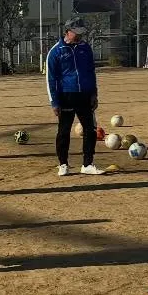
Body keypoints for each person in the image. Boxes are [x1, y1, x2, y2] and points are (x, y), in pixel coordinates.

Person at [46, 19, 105, 177]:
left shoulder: (85, 48)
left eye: (81, 33)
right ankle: (63, 164)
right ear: (68, 31)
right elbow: (50, 79)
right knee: (64, 131)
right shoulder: (56, 51)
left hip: (85, 95)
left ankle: (87, 164)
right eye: (76, 33)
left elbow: (91, 72)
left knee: (90, 130)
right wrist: (54, 102)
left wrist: (94, 93)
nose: (79, 36)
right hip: (66, 95)